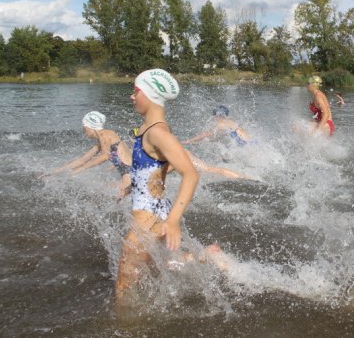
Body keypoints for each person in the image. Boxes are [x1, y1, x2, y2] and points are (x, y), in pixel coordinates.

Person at [116, 69, 223, 301]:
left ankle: (125, 322)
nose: (132, 96)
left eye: (136, 91)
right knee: (155, 268)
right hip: (154, 215)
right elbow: (159, 166)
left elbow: (191, 174)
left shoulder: (157, 132)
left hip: (147, 223)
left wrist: (173, 221)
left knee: (124, 288)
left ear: (150, 95)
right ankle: (204, 256)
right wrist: (133, 185)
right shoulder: (150, 128)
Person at [44, 111, 132, 195]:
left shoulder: (105, 134)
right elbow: (82, 160)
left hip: (130, 176)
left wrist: (82, 169)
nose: (84, 131)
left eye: (84, 127)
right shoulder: (105, 138)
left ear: (89, 126)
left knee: (104, 196)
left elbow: (105, 156)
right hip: (132, 175)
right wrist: (54, 172)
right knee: (102, 193)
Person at [184, 105, 252, 146]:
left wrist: (189, 141)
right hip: (251, 143)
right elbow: (216, 139)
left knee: (224, 153)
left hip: (243, 144)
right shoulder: (230, 122)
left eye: (215, 115)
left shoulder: (221, 124)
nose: (215, 117)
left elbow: (206, 134)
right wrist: (197, 143)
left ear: (219, 115)